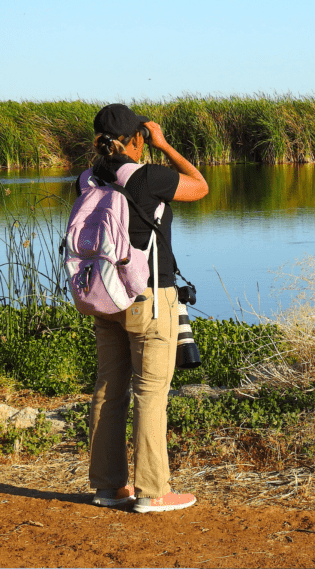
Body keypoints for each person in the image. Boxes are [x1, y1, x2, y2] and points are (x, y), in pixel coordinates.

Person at [85, 103, 209, 513]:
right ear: (137, 137)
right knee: (151, 393)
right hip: (150, 298)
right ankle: (153, 492)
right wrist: (165, 144)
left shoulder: (88, 178)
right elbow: (200, 186)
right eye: (143, 136)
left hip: (107, 298)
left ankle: (107, 486)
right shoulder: (148, 177)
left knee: (108, 390)